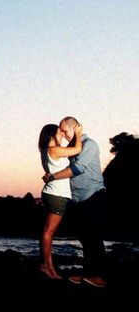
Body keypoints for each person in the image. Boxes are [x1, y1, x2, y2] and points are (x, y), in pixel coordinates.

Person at [43, 116, 107, 287]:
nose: (63, 134)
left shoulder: (89, 144)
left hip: (92, 195)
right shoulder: (73, 148)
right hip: (78, 199)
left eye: (64, 130)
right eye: (60, 131)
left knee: (93, 237)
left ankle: (99, 276)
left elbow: (78, 169)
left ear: (75, 127)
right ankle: (89, 274)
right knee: (85, 237)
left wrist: (53, 177)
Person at [37, 122, 83, 279]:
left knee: (48, 232)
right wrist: (78, 132)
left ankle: (48, 267)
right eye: (59, 133)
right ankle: (46, 266)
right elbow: (77, 149)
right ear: (51, 135)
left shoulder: (47, 150)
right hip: (56, 196)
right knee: (48, 232)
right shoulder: (54, 150)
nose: (62, 135)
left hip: (54, 194)